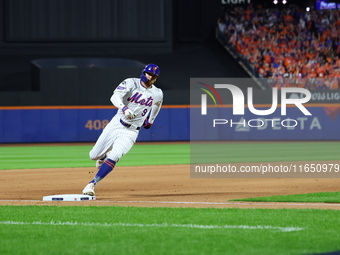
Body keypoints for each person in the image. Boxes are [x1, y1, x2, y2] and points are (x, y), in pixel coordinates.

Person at [82, 63, 163, 196]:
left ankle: (91, 184)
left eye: (154, 76)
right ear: (143, 73)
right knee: (93, 155)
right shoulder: (131, 83)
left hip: (132, 131)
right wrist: (124, 108)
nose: (151, 77)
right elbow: (114, 97)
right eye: (149, 74)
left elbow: (157, 104)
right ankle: (102, 157)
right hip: (116, 124)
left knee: (115, 156)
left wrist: (151, 120)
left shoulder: (157, 92)